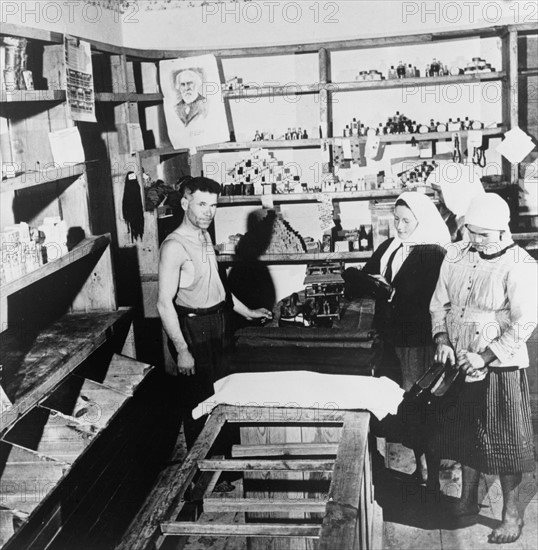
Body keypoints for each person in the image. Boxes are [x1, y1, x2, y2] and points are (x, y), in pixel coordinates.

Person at [431, 193, 537, 544]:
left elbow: (524, 323)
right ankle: (467, 498)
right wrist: (442, 339)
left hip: (499, 366)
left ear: (503, 231)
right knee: (465, 433)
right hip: (461, 358)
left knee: (505, 443)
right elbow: (439, 303)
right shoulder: (456, 254)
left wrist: (486, 356)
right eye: (471, 232)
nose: (476, 241)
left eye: (484, 235)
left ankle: (510, 515)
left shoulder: (521, 263)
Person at [157, 177, 272, 449]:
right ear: (185, 203)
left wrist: (249, 312)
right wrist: (182, 349)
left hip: (219, 323)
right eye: (202, 204)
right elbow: (163, 304)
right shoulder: (174, 246)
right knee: (199, 404)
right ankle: (197, 483)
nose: (208, 211)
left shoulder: (204, 235)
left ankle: (223, 469)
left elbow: (220, 289)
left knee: (223, 395)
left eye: (213, 205)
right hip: (193, 330)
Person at [349, 191, 450, 488]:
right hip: (389, 339)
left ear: (422, 221)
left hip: (417, 341)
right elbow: (369, 276)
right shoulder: (391, 246)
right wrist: (364, 281)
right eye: (396, 220)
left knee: (420, 406)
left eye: (406, 221)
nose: (400, 226)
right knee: (398, 404)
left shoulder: (433, 252)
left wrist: (391, 292)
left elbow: (431, 300)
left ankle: (430, 476)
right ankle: (418, 469)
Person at [426, 162, 484, 242]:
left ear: (454, 191)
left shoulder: (475, 221)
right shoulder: (451, 211)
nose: (436, 196)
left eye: (439, 192)